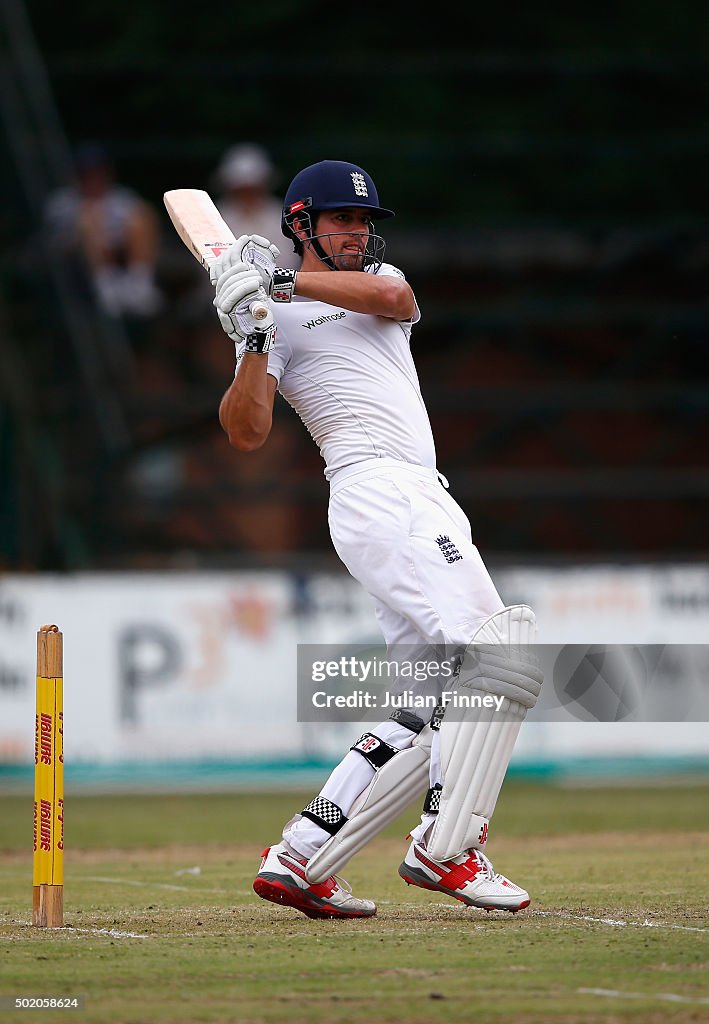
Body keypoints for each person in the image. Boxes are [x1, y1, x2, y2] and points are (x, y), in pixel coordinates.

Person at [210, 160, 543, 919]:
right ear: (300, 225)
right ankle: (445, 848)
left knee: (423, 706)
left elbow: (395, 298)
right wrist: (255, 333)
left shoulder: (371, 281)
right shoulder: (273, 316)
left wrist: (278, 288)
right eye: (341, 222)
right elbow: (246, 431)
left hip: (413, 494)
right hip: (376, 490)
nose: (359, 234)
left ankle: (300, 855)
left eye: (364, 222)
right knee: (501, 657)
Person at [44, 142, 163, 318]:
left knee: (144, 216)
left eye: (98, 172)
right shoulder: (62, 202)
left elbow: (139, 223)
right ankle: (107, 291)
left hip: (119, 254)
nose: (94, 178)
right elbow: (60, 239)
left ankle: (139, 285)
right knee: (88, 222)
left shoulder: (121, 198)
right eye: (88, 173)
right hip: (76, 259)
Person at [213, 143, 300, 270]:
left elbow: (290, 259)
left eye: (252, 189)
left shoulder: (279, 214)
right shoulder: (215, 216)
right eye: (241, 190)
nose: (247, 196)